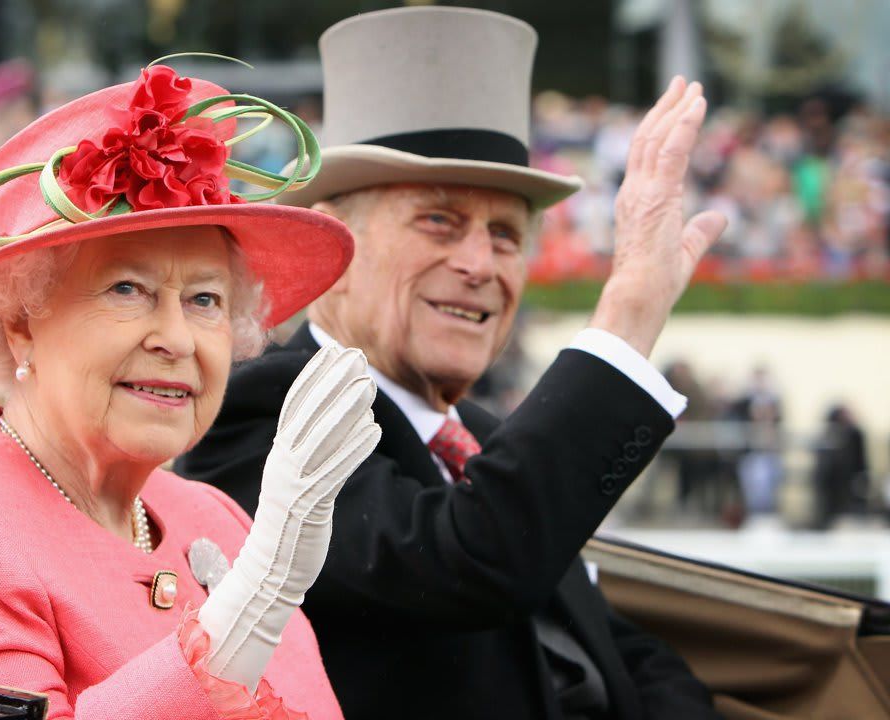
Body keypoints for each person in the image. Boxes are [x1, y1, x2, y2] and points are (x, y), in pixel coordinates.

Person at [178, 8, 724, 719]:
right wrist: (626, 317)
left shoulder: (488, 442)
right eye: (439, 220)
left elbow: (626, 657)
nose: (478, 264)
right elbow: (466, 558)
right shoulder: (267, 412)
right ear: (337, 250)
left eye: (504, 234)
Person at [0, 63, 384, 720]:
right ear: (20, 323)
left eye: (205, 299)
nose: (177, 338)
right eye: (128, 290)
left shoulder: (215, 518)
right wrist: (247, 608)